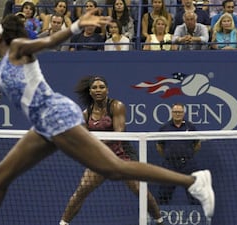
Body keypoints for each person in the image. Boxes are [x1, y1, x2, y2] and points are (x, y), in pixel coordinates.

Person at [0, 9, 214, 225]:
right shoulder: (4, 67)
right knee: (0, 178)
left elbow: (50, 40)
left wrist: (76, 26)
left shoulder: (18, 47)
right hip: (41, 125)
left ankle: (192, 181)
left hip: (57, 116)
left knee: (115, 169)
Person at [59, 76, 167, 225]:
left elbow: (119, 133)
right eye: (95, 87)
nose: (98, 90)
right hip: (100, 158)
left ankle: (159, 221)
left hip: (122, 156)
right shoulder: (86, 114)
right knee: (82, 190)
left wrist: (95, 142)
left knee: (140, 190)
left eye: (101, 87)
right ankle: (63, 223)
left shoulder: (116, 106)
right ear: (90, 92)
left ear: (107, 90)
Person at [156, 103, 201, 205]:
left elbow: (197, 144)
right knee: (163, 195)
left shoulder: (190, 127)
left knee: (194, 193)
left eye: (180, 112)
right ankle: (161, 219)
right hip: (169, 165)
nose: (177, 114)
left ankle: (197, 218)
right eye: (175, 112)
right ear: (172, 113)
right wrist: (169, 156)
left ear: (183, 113)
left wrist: (188, 154)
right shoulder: (164, 128)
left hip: (188, 165)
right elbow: (159, 146)